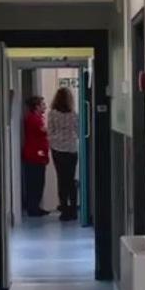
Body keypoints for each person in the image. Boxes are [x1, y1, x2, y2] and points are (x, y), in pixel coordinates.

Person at [48, 87, 80, 221]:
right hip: (71, 149)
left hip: (57, 149)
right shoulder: (74, 114)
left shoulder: (52, 114)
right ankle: (74, 210)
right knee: (71, 179)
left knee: (61, 180)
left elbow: (50, 131)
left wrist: (55, 140)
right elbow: (78, 131)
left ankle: (64, 210)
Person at [20, 95, 50, 217]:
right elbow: (44, 131)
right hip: (34, 155)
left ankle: (35, 207)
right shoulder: (34, 119)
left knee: (38, 183)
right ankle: (33, 209)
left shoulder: (36, 118)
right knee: (35, 183)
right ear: (37, 106)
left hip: (37, 154)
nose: (45, 107)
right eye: (43, 105)